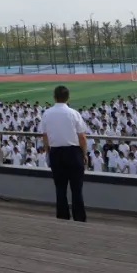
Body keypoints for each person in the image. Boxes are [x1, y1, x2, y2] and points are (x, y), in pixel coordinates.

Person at [39, 85, 88, 222]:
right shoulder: (73, 113)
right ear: (68, 98)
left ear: (54, 97)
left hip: (56, 152)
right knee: (77, 189)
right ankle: (79, 218)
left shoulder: (47, 113)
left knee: (60, 188)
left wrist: (48, 151)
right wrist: (84, 154)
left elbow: (45, 136)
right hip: (73, 152)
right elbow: (82, 137)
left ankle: (62, 217)